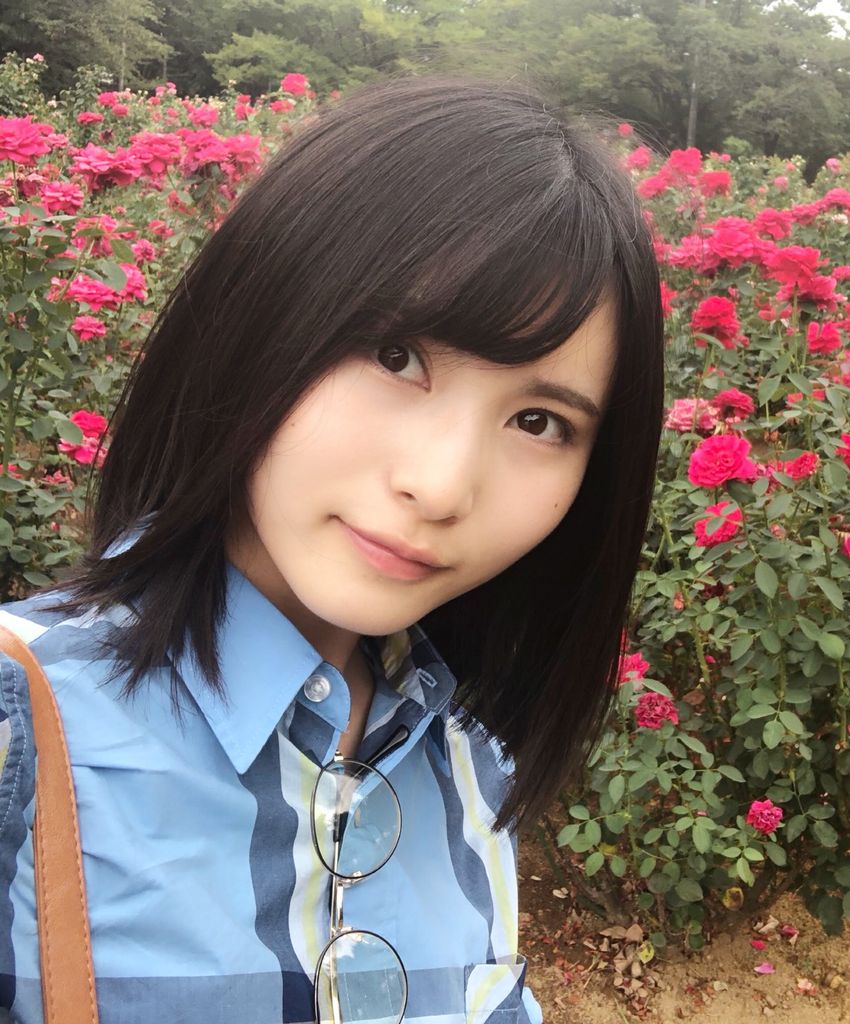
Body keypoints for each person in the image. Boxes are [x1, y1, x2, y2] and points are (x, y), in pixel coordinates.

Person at [0, 73, 664, 1024]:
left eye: (537, 421)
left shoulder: (466, 764)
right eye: (397, 357)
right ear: (257, 317)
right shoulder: (23, 731)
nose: (441, 486)